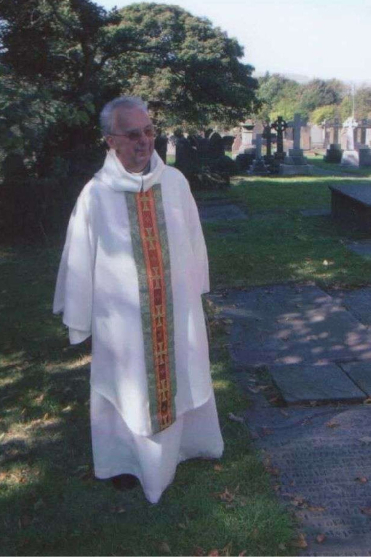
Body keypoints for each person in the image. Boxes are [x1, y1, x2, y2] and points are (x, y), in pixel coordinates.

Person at [53, 96, 224, 504]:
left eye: (149, 131)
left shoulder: (176, 183)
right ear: (110, 141)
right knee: (128, 387)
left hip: (175, 309)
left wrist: (195, 285)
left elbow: (194, 240)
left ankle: (187, 447)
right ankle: (124, 462)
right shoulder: (95, 195)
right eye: (132, 134)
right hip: (123, 323)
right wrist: (81, 318)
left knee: (183, 370)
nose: (144, 141)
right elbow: (79, 258)